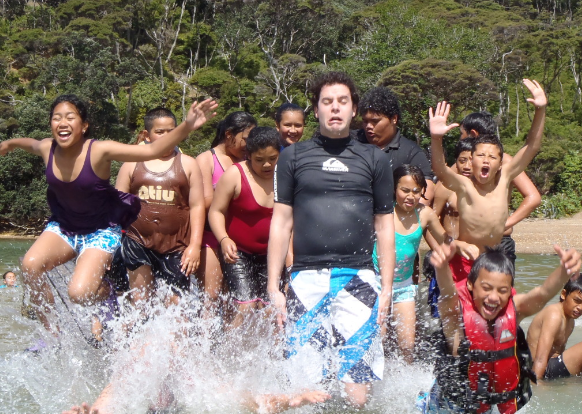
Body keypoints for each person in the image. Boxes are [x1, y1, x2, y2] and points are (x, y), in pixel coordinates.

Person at [0, 94, 217, 344]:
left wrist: (187, 125)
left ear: (84, 126)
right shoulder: (46, 148)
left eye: (70, 117)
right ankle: (52, 334)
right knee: (30, 266)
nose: (62, 122)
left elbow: (152, 149)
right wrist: (8, 144)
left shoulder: (99, 150)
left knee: (79, 294)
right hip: (64, 226)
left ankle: (109, 292)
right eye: (56, 118)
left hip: (100, 230)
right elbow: (30, 143)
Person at [267, 71, 395, 408]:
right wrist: (273, 286)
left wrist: (387, 289)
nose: (335, 108)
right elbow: (281, 222)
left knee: (357, 394)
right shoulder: (292, 157)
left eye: (342, 101)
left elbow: (385, 226)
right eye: (327, 102)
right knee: (305, 390)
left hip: (359, 276)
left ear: (354, 109)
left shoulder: (375, 158)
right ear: (316, 110)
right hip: (305, 277)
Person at [418, 243, 581, 414]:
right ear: (471, 284)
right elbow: (447, 295)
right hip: (446, 407)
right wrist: (442, 268)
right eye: (486, 288)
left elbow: (542, 294)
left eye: (502, 290)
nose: (494, 297)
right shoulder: (456, 318)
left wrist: (564, 272)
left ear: (510, 290)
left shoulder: (514, 310)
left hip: (484, 406)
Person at [429, 79, 546, 282]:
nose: (486, 160)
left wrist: (540, 110)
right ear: (471, 159)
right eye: (481, 156)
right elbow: (440, 169)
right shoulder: (464, 185)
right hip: (465, 258)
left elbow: (532, 147)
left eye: (492, 157)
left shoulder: (505, 177)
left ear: (500, 164)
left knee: (499, 301)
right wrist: (436, 138)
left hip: (494, 260)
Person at [371, 165, 474, 363]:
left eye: (416, 191)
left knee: (408, 346)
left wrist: (462, 246)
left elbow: (445, 239)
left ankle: (407, 378)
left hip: (404, 286)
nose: (410, 196)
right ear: (394, 189)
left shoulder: (424, 214)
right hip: (377, 282)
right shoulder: (384, 211)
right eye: (405, 190)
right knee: (379, 339)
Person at [115, 107, 205, 313]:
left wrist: (194, 246)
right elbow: (117, 205)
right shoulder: (131, 164)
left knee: (177, 308)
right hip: (137, 241)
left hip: (177, 245)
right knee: (141, 303)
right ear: (147, 135)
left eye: (171, 131)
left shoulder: (188, 164)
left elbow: (197, 206)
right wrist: (111, 246)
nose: (166, 136)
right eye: (160, 132)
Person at [208, 127, 280, 329]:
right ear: (248, 155)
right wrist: (223, 239)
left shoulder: (285, 175)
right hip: (238, 252)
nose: (267, 164)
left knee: (269, 310)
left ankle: (263, 349)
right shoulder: (235, 174)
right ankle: (228, 346)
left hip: (271, 254)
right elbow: (216, 211)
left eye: (272, 158)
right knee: (246, 306)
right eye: (259, 160)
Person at [458, 112, 541, 266]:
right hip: (465, 245)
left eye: (461, 133)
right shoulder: (464, 161)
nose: (460, 138)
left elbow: (533, 197)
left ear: (472, 134)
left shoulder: (505, 162)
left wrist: (504, 224)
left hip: (499, 241)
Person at [196, 112, 256, 317]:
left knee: (234, 299)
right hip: (211, 237)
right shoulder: (206, 160)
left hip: (241, 239)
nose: (249, 145)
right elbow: (204, 202)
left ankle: (230, 337)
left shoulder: (249, 160)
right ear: (229, 134)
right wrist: (232, 194)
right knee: (211, 296)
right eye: (245, 139)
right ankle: (205, 336)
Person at [358, 86, 434, 203]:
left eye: (375, 121)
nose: (368, 126)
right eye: (365, 121)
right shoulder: (351, 142)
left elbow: (427, 189)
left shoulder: (412, 153)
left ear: (394, 119)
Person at [527, 277, 582, 380]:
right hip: (539, 369)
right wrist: (537, 383)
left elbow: (560, 352)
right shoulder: (554, 315)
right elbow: (540, 358)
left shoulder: (571, 321)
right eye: (577, 301)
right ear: (563, 294)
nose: (580, 307)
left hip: (552, 368)